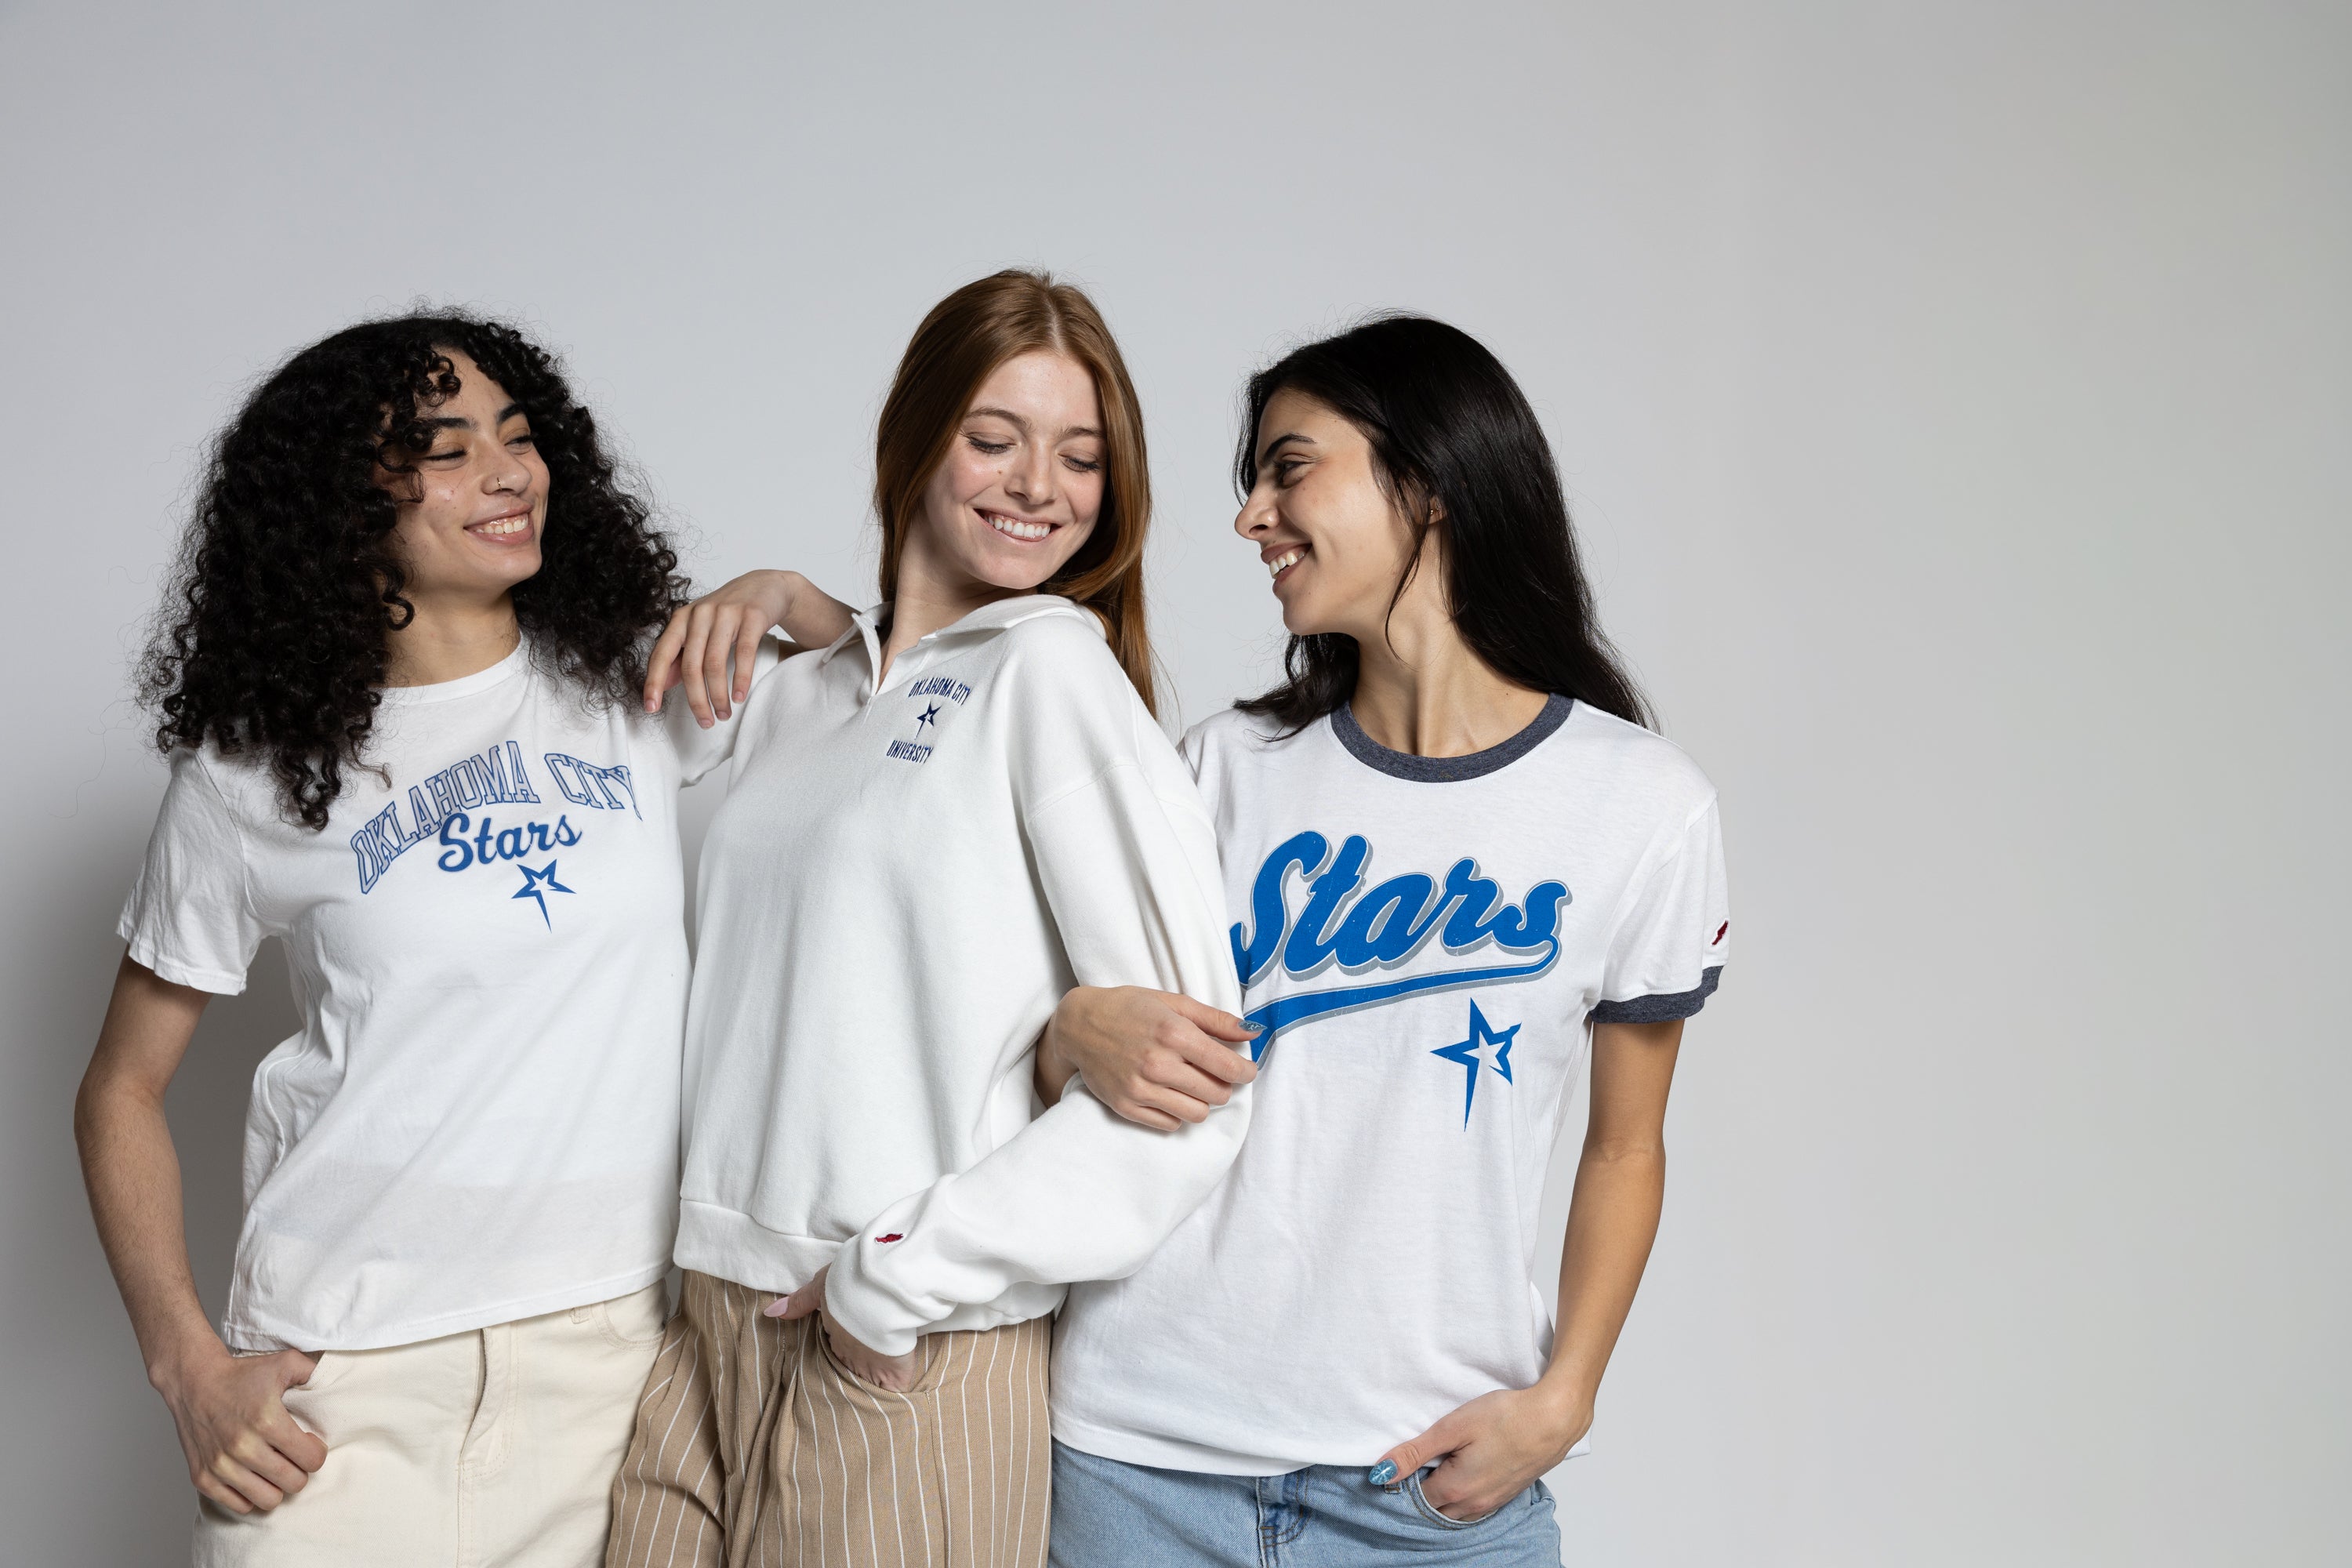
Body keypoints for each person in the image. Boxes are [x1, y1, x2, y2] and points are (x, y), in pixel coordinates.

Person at [75, 314, 838, 1567]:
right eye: (447, 446)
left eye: (521, 436)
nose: (508, 471)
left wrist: (794, 599)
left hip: (618, 1370)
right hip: (342, 1385)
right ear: (342, 500)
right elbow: (118, 1091)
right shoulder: (251, 776)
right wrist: (188, 1368)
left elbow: (912, 702)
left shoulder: (635, 690)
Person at [1038, 316, 1732, 1565]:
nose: (1253, 516)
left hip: (1424, 1488)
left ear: (1429, 485)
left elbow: (1627, 1143)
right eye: (1252, 481)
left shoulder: (1641, 806)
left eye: (1289, 468)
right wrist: (1071, 1029)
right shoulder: (1222, 772)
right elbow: (1083, 1080)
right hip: (1137, 1463)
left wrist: (1566, 1395)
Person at [603, 270, 1255, 1568]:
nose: (1038, 486)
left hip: (901, 1347)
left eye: (1081, 457)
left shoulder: (1052, 673)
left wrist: (895, 1280)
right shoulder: (792, 697)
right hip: (709, 1319)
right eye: (994, 438)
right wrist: (799, 605)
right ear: (916, 440)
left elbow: (1198, 1091)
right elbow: (581, 778)